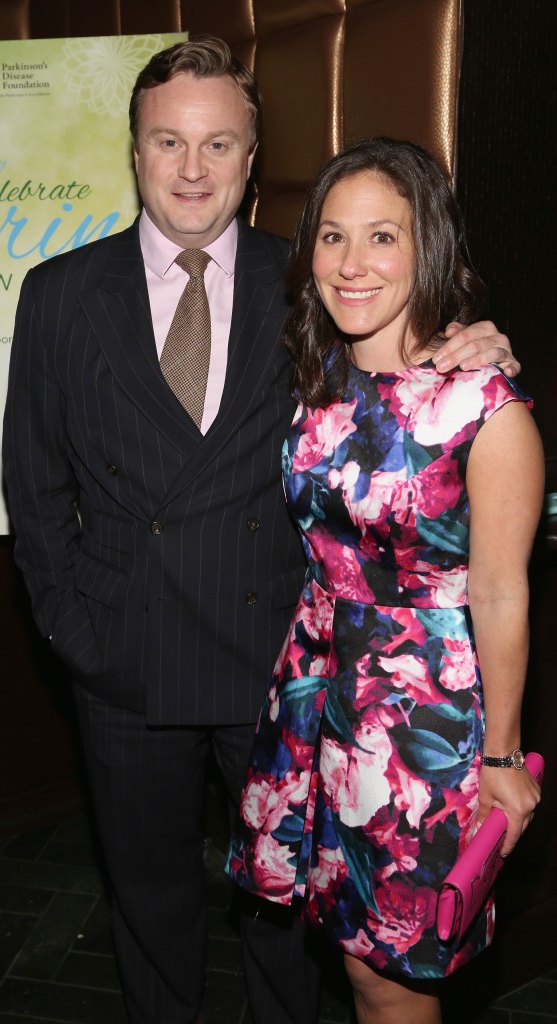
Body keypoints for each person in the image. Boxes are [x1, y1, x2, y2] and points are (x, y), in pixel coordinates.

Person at [2, 36, 520, 1024]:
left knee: (286, 918)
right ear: (136, 151)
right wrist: (75, 629)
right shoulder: (60, 294)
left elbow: (412, 383)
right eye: (167, 141)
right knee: (146, 900)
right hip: (123, 656)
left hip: (279, 665)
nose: (191, 168)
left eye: (217, 144)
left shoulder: (316, 282)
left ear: (250, 158)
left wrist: (477, 341)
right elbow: (33, 486)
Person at [225, 137, 543, 1024]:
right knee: (354, 961)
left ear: (426, 248)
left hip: (416, 722)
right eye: (332, 237)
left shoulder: (483, 410)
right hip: (314, 692)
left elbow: (501, 594)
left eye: (381, 237)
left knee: (390, 973)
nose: (351, 263)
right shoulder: (319, 377)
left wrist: (501, 759)